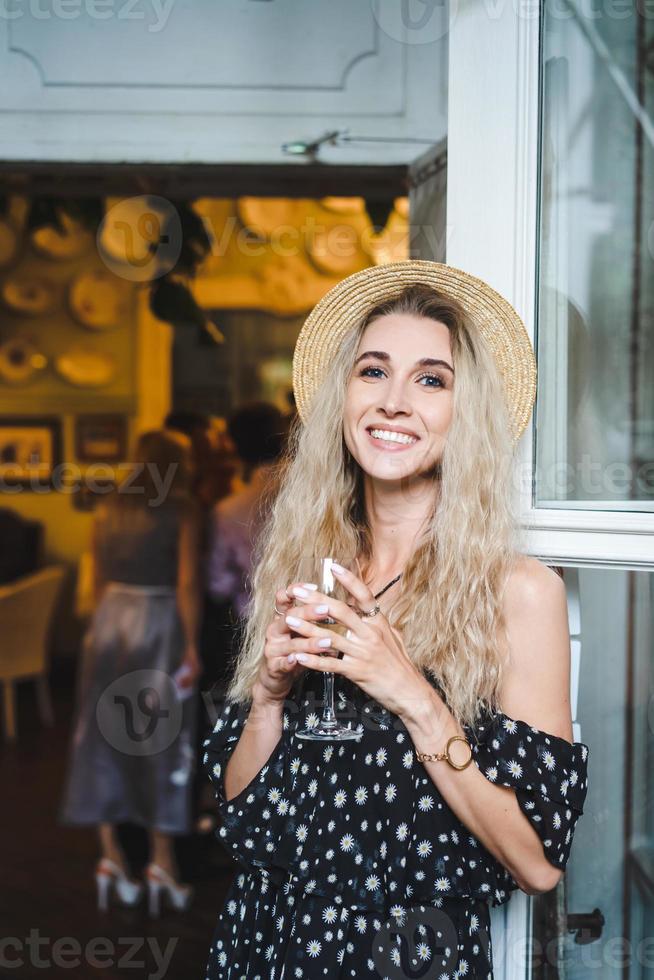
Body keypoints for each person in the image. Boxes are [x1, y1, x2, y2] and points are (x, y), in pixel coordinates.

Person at [201, 262, 590, 978]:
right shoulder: (307, 567)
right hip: (263, 944)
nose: (395, 402)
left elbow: (537, 865)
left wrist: (411, 693)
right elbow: (240, 824)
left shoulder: (514, 593)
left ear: (464, 412)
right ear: (343, 397)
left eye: (432, 380)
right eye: (373, 372)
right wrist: (266, 699)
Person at [59, 429, 202, 916]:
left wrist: (100, 633)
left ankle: (110, 857)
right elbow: (186, 585)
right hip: (158, 624)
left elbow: (96, 580)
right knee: (161, 739)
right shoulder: (183, 508)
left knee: (99, 737)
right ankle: (161, 862)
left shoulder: (107, 506)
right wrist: (193, 647)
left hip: (108, 625)